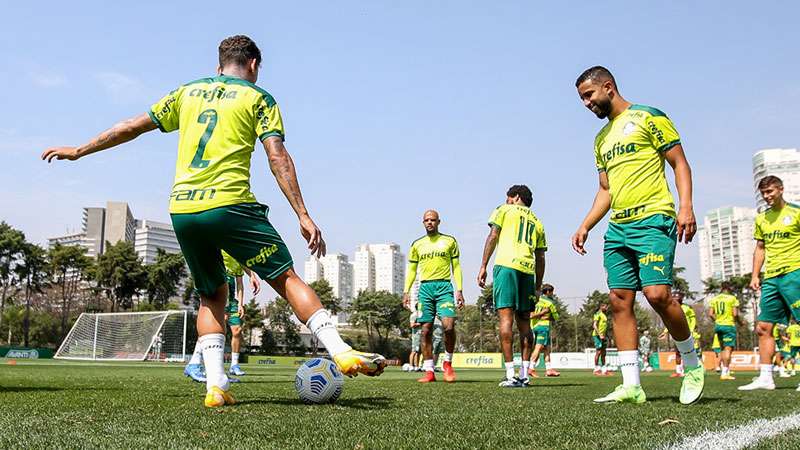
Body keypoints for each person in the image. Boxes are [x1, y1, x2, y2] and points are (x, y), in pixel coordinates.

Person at [42, 35, 386, 407]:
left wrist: (79, 150)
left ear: (218, 63)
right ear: (253, 65)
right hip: (231, 205)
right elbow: (277, 157)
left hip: (184, 210)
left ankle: (216, 386)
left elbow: (130, 126)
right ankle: (339, 349)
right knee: (286, 279)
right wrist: (302, 213)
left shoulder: (186, 93)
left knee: (211, 296)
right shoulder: (259, 98)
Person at [571, 66, 703, 404]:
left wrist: (685, 207)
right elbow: (606, 190)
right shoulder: (601, 140)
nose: (586, 103)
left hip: (654, 219)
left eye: (589, 95)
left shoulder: (648, 117)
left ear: (608, 87)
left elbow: (680, 164)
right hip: (618, 227)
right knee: (619, 301)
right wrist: (586, 224)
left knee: (657, 294)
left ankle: (691, 361)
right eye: (582, 99)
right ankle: (631, 385)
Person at [478, 185, 546, 388]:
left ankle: (510, 374)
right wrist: (538, 285)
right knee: (525, 323)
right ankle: (524, 375)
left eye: (508, 197)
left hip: (506, 267)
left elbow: (493, 235)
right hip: (527, 270)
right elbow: (541, 257)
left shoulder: (504, 209)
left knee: (506, 319)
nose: (506, 200)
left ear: (515, 197)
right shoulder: (537, 221)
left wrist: (483, 265)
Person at [740, 176, 800, 391]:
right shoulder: (761, 219)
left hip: (795, 274)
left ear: (781, 190)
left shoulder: (796, 212)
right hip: (772, 278)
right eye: (763, 193)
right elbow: (761, 248)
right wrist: (755, 275)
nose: (767, 196)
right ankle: (766, 378)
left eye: (770, 192)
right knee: (763, 327)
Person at [403, 210, 464, 383]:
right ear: (423, 223)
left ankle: (448, 363)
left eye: (433, 220)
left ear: (439, 222)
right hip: (425, 289)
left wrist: (459, 289)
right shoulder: (417, 244)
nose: (430, 222)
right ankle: (429, 371)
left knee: (449, 326)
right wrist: (406, 291)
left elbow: (456, 267)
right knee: (426, 330)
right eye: (426, 220)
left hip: (444, 286)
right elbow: (413, 270)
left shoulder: (449, 241)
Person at [184, 250, 261, 382]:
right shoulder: (221, 246)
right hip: (219, 282)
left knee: (234, 330)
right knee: (215, 325)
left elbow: (240, 277)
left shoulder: (236, 256)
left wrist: (251, 275)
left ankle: (226, 368)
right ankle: (195, 363)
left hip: (230, 297)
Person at [658, 291, 697, 378]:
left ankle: (690, 370)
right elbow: (670, 321)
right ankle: (678, 371)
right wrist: (665, 332)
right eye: (674, 296)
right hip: (676, 333)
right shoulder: (671, 308)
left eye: (677, 296)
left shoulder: (687, 308)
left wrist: (691, 330)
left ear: (682, 298)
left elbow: (693, 319)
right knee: (677, 352)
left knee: (687, 352)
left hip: (687, 333)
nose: (675, 297)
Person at [708, 282, 739, 381]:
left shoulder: (715, 299)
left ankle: (726, 370)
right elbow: (735, 314)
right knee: (728, 349)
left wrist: (717, 320)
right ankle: (725, 372)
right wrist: (740, 322)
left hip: (718, 326)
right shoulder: (732, 298)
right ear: (729, 288)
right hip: (728, 325)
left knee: (722, 349)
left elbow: (710, 314)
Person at [529, 283, 560, 378]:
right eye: (551, 292)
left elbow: (531, 314)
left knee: (546, 348)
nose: (552, 294)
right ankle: (531, 368)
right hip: (543, 327)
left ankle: (549, 369)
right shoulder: (550, 303)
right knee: (539, 347)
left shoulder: (536, 300)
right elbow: (556, 317)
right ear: (547, 292)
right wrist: (547, 315)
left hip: (534, 326)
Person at [592, 303, 609, 375]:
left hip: (603, 336)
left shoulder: (604, 315)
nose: (607, 308)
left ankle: (604, 370)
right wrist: (599, 334)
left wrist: (606, 336)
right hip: (597, 336)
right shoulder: (598, 314)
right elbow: (594, 325)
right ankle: (596, 369)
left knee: (603, 353)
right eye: (605, 306)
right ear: (601, 307)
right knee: (598, 352)